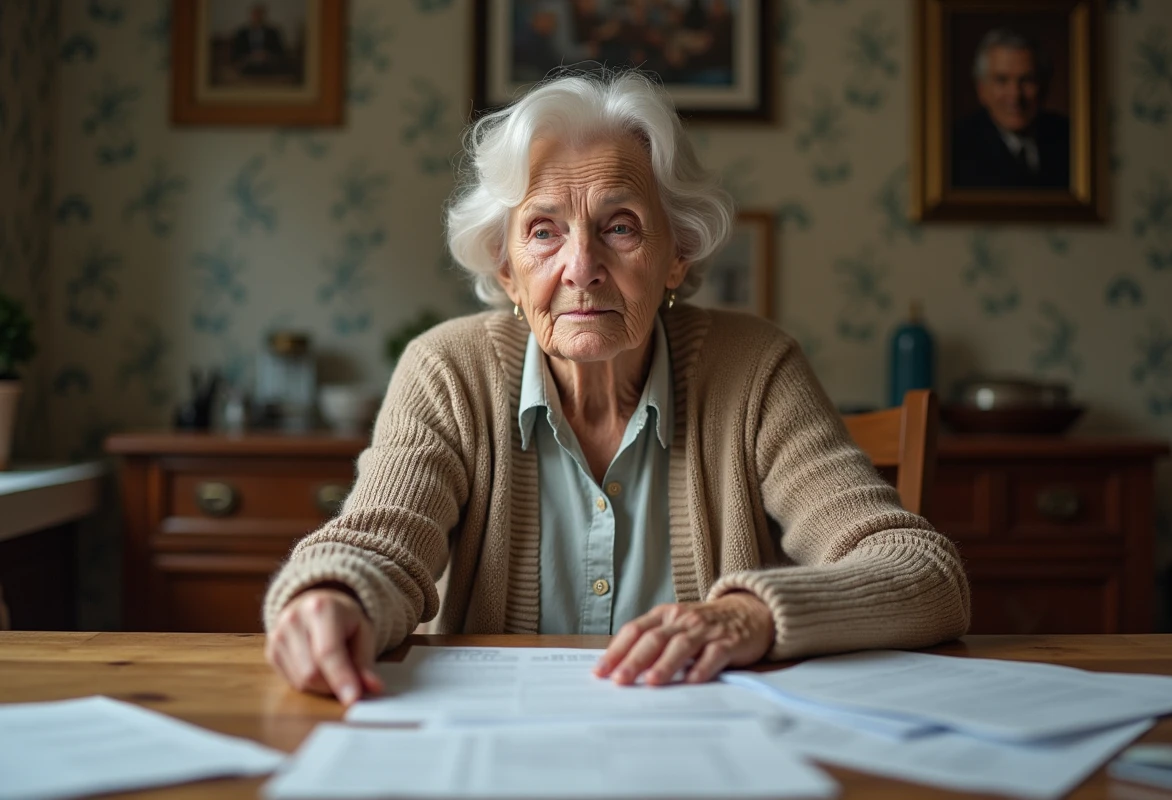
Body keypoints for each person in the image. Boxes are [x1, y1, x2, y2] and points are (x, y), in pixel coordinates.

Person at [263, 70, 971, 705]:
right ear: (505, 270)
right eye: (543, 231)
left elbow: (922, 572)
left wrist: (748, 614)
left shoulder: (756, 369)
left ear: (677, 254)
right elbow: (379, 548)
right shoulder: (447, 370)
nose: (582, 267)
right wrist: (332, 594)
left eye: (620, 227)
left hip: (709, 755)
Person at [952, 28, 1070, 189]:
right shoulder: (954, 147)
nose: (1015, 95)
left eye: (1027, 80)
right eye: (1002, 80)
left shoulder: (1071, 138)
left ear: (1044, 87)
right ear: (981, 89)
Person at [230, 4, 288, 77]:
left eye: (259, 14)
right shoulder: (242, 33)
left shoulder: (273, 32)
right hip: (247, 63)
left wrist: (267, 55)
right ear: (251, 15)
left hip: (267, 64)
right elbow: (236, 51)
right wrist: (249, 56)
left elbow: (280, 50)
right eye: (255, 14)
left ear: (264, 15)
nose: (257, 17)